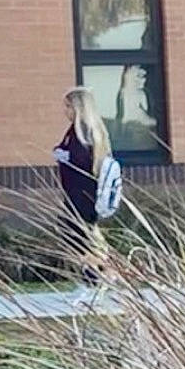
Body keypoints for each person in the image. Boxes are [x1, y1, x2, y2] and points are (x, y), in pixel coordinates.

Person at [50, 86, 111, 280]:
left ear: (78, 107)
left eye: (68, 106)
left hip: (84, 194)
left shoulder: (86, 130)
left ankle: (99, 274)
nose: (65, 111)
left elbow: (83, 160)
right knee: (77, 233)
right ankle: (98, 272)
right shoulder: (75, 130)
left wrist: (66, 156)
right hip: (74, 192)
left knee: (78, 234)